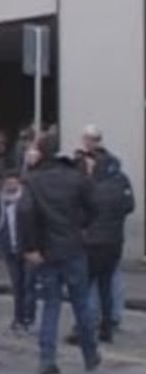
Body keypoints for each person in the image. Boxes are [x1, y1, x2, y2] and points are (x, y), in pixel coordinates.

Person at [18, 134, 101, 374]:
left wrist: (30, 247)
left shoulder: (33, 180)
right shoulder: (77, 178)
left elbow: (25, 212)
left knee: (51, 304)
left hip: (47, 250)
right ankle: (89, 353)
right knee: (81, 302)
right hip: (73, 246)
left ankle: (47, 358)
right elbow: (95, 206)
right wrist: (81, 227)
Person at [72, 147, 134, 344]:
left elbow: (82, 215)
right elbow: (130, 205)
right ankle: (106, 328)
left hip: (92, 242)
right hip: (114, 241)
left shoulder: (91, 185)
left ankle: (84, 328)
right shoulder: (121, 180)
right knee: (105, 285)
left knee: (85, 285)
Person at [0, 171, 34, 334]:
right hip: (9, 247)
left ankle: (28, 318)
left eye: (13, 182)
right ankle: (18, 317)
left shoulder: (27, 200)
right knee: (17, 285)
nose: (10, 186)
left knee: (29, 284)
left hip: (27, 246)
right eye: (7, 183)